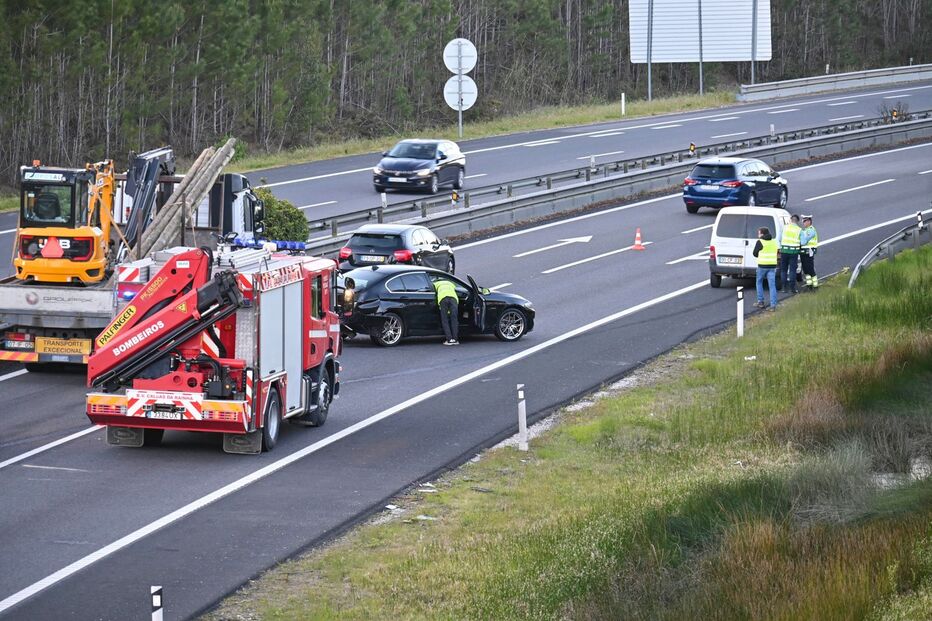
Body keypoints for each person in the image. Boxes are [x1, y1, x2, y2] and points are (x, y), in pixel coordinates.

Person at [752, 226, 780, 311]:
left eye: (759, 233)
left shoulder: (760, 242)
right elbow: (777, 252)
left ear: (762, 234)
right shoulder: (774, 242)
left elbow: (755, 253)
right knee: (772, 286)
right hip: (772, 266)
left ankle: (760, 302)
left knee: (759, 282)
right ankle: (773, 305)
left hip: (762, 266)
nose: (758, 235)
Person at [779, 214, 802, 294]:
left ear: (790, 220)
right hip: (794, 252)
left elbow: (779, 238)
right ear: (797, 221)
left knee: (783, 270)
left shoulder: (785, 227)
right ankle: (792, 288)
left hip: (784, 251)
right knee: (792, 270)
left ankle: (784, 288)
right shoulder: (799, 230)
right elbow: (802, 242)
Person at [433, 277, 459, 345]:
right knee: (454, 319)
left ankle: (449, 340)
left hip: (443, 298)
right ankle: (455, 340)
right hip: (453, 299)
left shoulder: (436, 284)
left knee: (445, 320)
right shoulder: (451, 283)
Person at [799, 215, 819, 289]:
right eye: (803, 221)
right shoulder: (805, 230)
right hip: (803, 252)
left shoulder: (811, 230)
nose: (803, 223)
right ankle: (809, 285)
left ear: (809, 221)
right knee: (805, 269)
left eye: (804, 221)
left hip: (809, 252)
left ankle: (815, 286)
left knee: (810, 269)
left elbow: (803, 241)